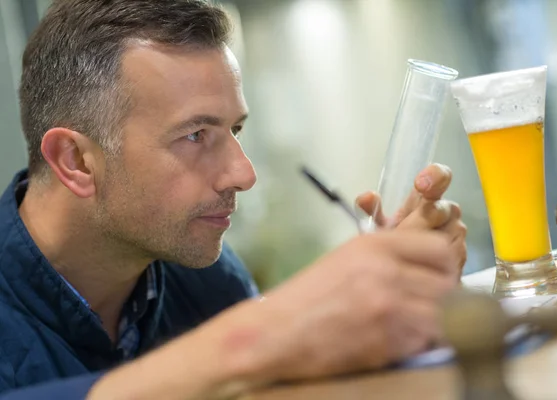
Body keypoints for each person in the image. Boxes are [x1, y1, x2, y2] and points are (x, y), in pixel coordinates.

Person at [0, 0, 467, 398]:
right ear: (76, 160)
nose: (243, 174)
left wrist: (389, 299)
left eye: (235, 129)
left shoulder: (200, 275)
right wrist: (247, 341)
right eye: (195, 134)